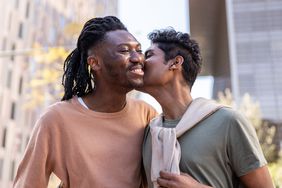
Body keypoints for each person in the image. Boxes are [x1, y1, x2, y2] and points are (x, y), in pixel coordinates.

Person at [13, 16, 157, 188]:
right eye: (124, 51)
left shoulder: (147, 115)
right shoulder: (56, 119)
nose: (137, 58)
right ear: (95, 63)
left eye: (139, 50)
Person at [141, 28, 274, 188]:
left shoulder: (228, 121)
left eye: (148, 55)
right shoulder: (149, 132)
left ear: (175, 63)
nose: (139, 61)